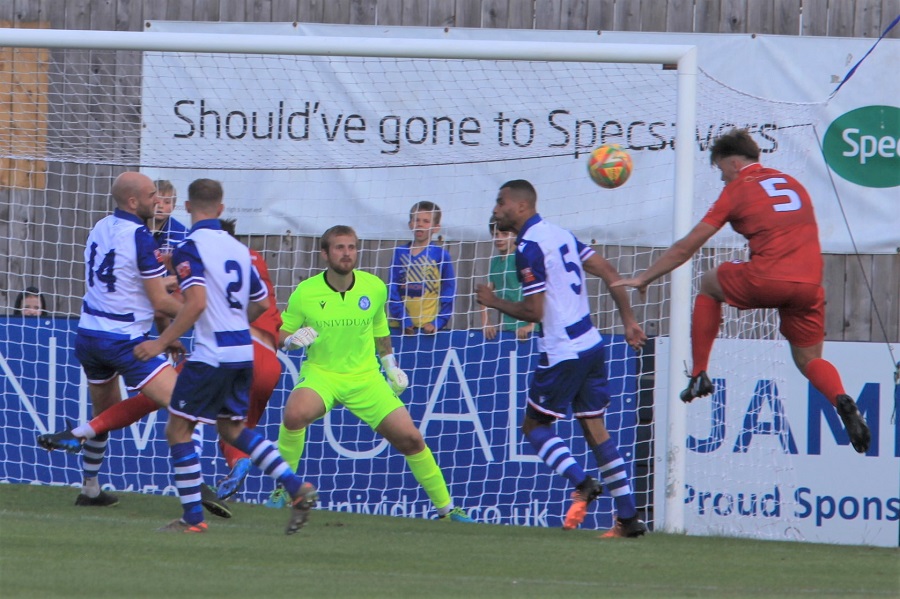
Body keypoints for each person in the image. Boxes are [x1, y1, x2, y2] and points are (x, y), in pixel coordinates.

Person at [612, 128, 871, 454]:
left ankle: (698, 372)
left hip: (767, 279)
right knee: (809, 359)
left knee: (708, 282)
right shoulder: (793, 184)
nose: (721, 179)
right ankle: (841, 398)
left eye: (720, 170)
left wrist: (645, 277)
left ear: (733, 163)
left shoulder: (736, 191)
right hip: (809, 285)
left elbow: (686, 248)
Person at [36, 172, 231, 519]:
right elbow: (159, 301)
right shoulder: (141, 237)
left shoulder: (100, 226)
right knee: (188, 405)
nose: (158, 200)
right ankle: (196, 486)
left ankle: (90, 489)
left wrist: (166, 330)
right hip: (123, 340)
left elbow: (133, 285)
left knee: (105, 417)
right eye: (152, 195)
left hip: (89, 335)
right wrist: (201, 313)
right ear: (132, 202)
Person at [132, 178, 316, 533]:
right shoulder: (239, 249)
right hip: (241, 352)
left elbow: (197, 303)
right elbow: (261, 302)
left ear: (187, 208)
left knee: (178, 428)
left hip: (211, 354)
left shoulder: (189, 247)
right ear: (221, 208)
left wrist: (160, 342)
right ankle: (296, 486)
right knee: (233, 429)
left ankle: (193, 519)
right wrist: (234, 323)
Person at [475, 179, 648, 538]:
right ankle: (629, 519)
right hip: (591, 343)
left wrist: (493, 303)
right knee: (595, 430)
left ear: (521, 207)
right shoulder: (562, 234)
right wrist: (629, 321)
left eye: (500, 202)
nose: (495, 209)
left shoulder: (529, 247)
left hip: (562, 351)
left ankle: (582, 483)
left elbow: (534, 311)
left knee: (534, 427)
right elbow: (610, 273)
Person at [272, 224, 472, 522]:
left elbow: (380, 330)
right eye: (339, 247)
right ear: (325, 253)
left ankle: (447, 510)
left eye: (351, 247)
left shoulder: (374, 287)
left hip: (365, 379)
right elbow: (280, 335)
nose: (347, 253)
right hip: (322, 374)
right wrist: (291, 340)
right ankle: (284, 490)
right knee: (294, 415)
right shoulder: (306, 291)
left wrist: (391, 367)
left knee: (411, 439)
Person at [214, 218, 285, 500]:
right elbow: (265, 305)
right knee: (237, 428)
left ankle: (86, 431)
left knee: (174, 407)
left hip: (239, 350)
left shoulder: (211, 261)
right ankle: (239, 463)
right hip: (270, 361)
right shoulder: (255, 260)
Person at [388, 201, 456, 334]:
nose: (420, 224)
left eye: (425, 221)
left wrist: (438, 322)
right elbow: (392, 289)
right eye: (416, 220)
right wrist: (404, 320)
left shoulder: (441, 255)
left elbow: (449, 291)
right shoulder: (399, 253)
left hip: (428, 328)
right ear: (410, 224)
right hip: (400, 326)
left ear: (436, 227)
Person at [481, 217, 534, 341]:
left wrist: (530, 326)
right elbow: (485, 297)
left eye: (504, 234)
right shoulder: (495, 262)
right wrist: (486, 323)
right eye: (495, 234)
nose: (499, 238)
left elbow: (538, 291)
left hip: (531, 330)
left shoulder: (522, 258)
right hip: (510, 329)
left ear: (515, 234)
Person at [149, 179, 188, 251]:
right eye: (157, 201)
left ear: (173, 207)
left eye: (167, 202)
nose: (160, 205)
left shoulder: (182, 233)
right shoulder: (136, 227)